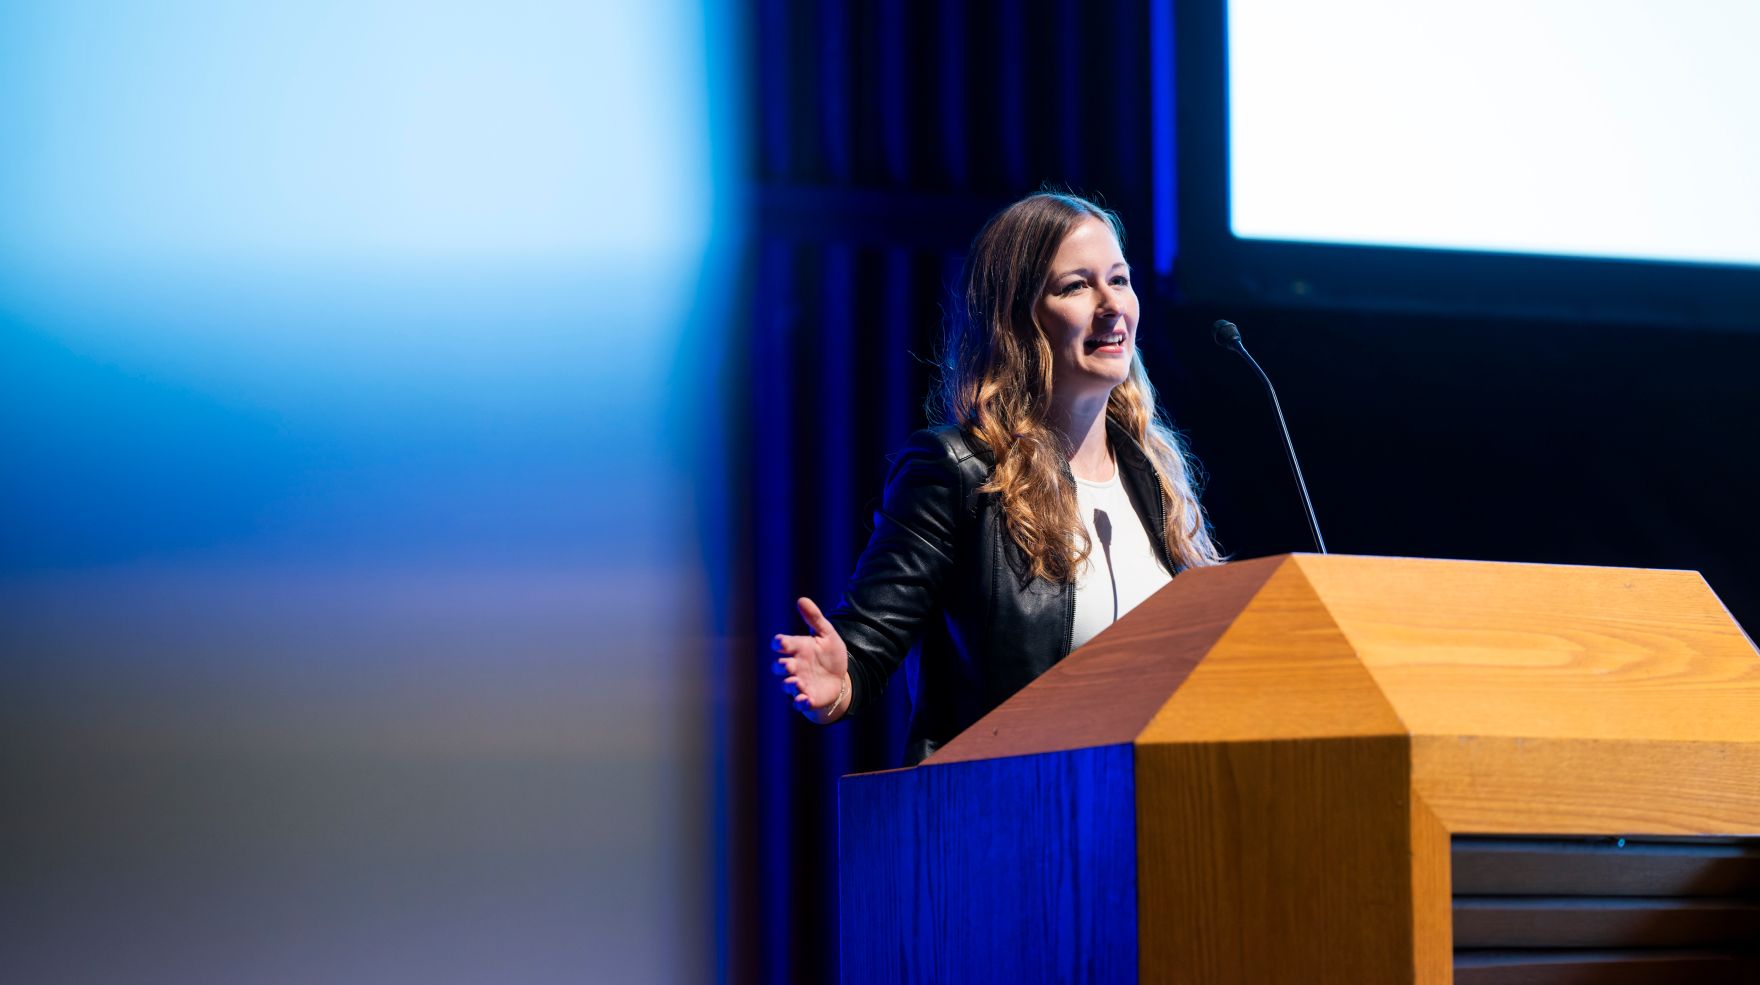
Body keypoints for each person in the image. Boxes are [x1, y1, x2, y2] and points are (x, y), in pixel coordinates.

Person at [771, 191, 1222, 764]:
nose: (1113, 306)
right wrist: (839, 680)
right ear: (1016, 319)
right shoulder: (960, 471)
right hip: (1005, 810)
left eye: (1120, 279)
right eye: (1076, 287)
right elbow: (867, 642)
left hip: (1145, 806)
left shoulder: (1154, 477)